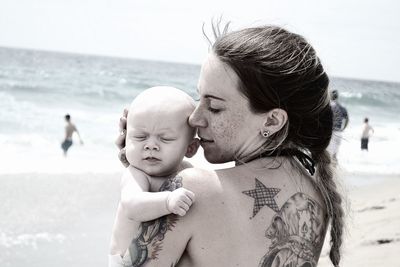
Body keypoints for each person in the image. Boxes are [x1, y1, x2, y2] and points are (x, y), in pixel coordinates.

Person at [116, 24, 344, 267]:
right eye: (198, 98)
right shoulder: (315, 198)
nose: (195, 118)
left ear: (272, 120)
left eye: (214, 107)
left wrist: (140, 176)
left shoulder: (191, 190)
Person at [109, 86, 200, 267]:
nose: (151, 145)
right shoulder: (136, 173)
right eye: (140, 137)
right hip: (126, 262)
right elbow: (132, 205)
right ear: (126, 139)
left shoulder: (188, 172)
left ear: (190, 148)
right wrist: (168, 201)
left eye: (165, 139)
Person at [327, 90, 349, 161]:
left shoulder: (329, 106)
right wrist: (343, 128)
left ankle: (329, 171)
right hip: (339, 133)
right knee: (335, 155)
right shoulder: (342, 108)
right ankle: (335, 170)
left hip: (331, 133)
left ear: (331, 96)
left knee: (329, 155)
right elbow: (347, 119)